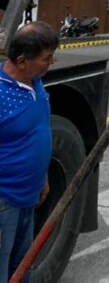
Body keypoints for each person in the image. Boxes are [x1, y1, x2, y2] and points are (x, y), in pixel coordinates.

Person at [0, 22, 59, 283]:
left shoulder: (35, 83)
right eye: (47, 59)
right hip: (4, 200)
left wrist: (42, 176)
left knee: (22, 268)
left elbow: (37, 130)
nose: (52, 62)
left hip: (28, 196)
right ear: (22, 61)